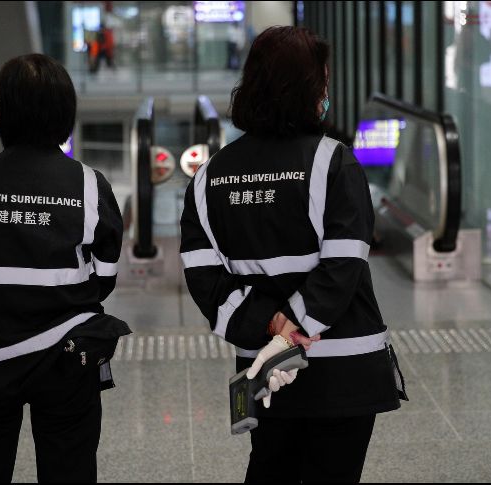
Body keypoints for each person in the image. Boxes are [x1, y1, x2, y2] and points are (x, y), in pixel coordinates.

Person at [180, 27, 407, 483]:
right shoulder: (333, 162)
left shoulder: (211, 177)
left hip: (266, 369)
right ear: (308, 89)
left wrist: (272, 324)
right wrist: (297, 321)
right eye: (322, 80)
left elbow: (205, 279)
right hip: (345, 366)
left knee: (270, 467)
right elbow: (344, 264)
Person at [0, 53, 130, 483]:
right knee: (69, 469)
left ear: (4, 113)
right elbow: (104, 277)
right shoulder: (88, 184)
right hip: (67, 361)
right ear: (64, 114)